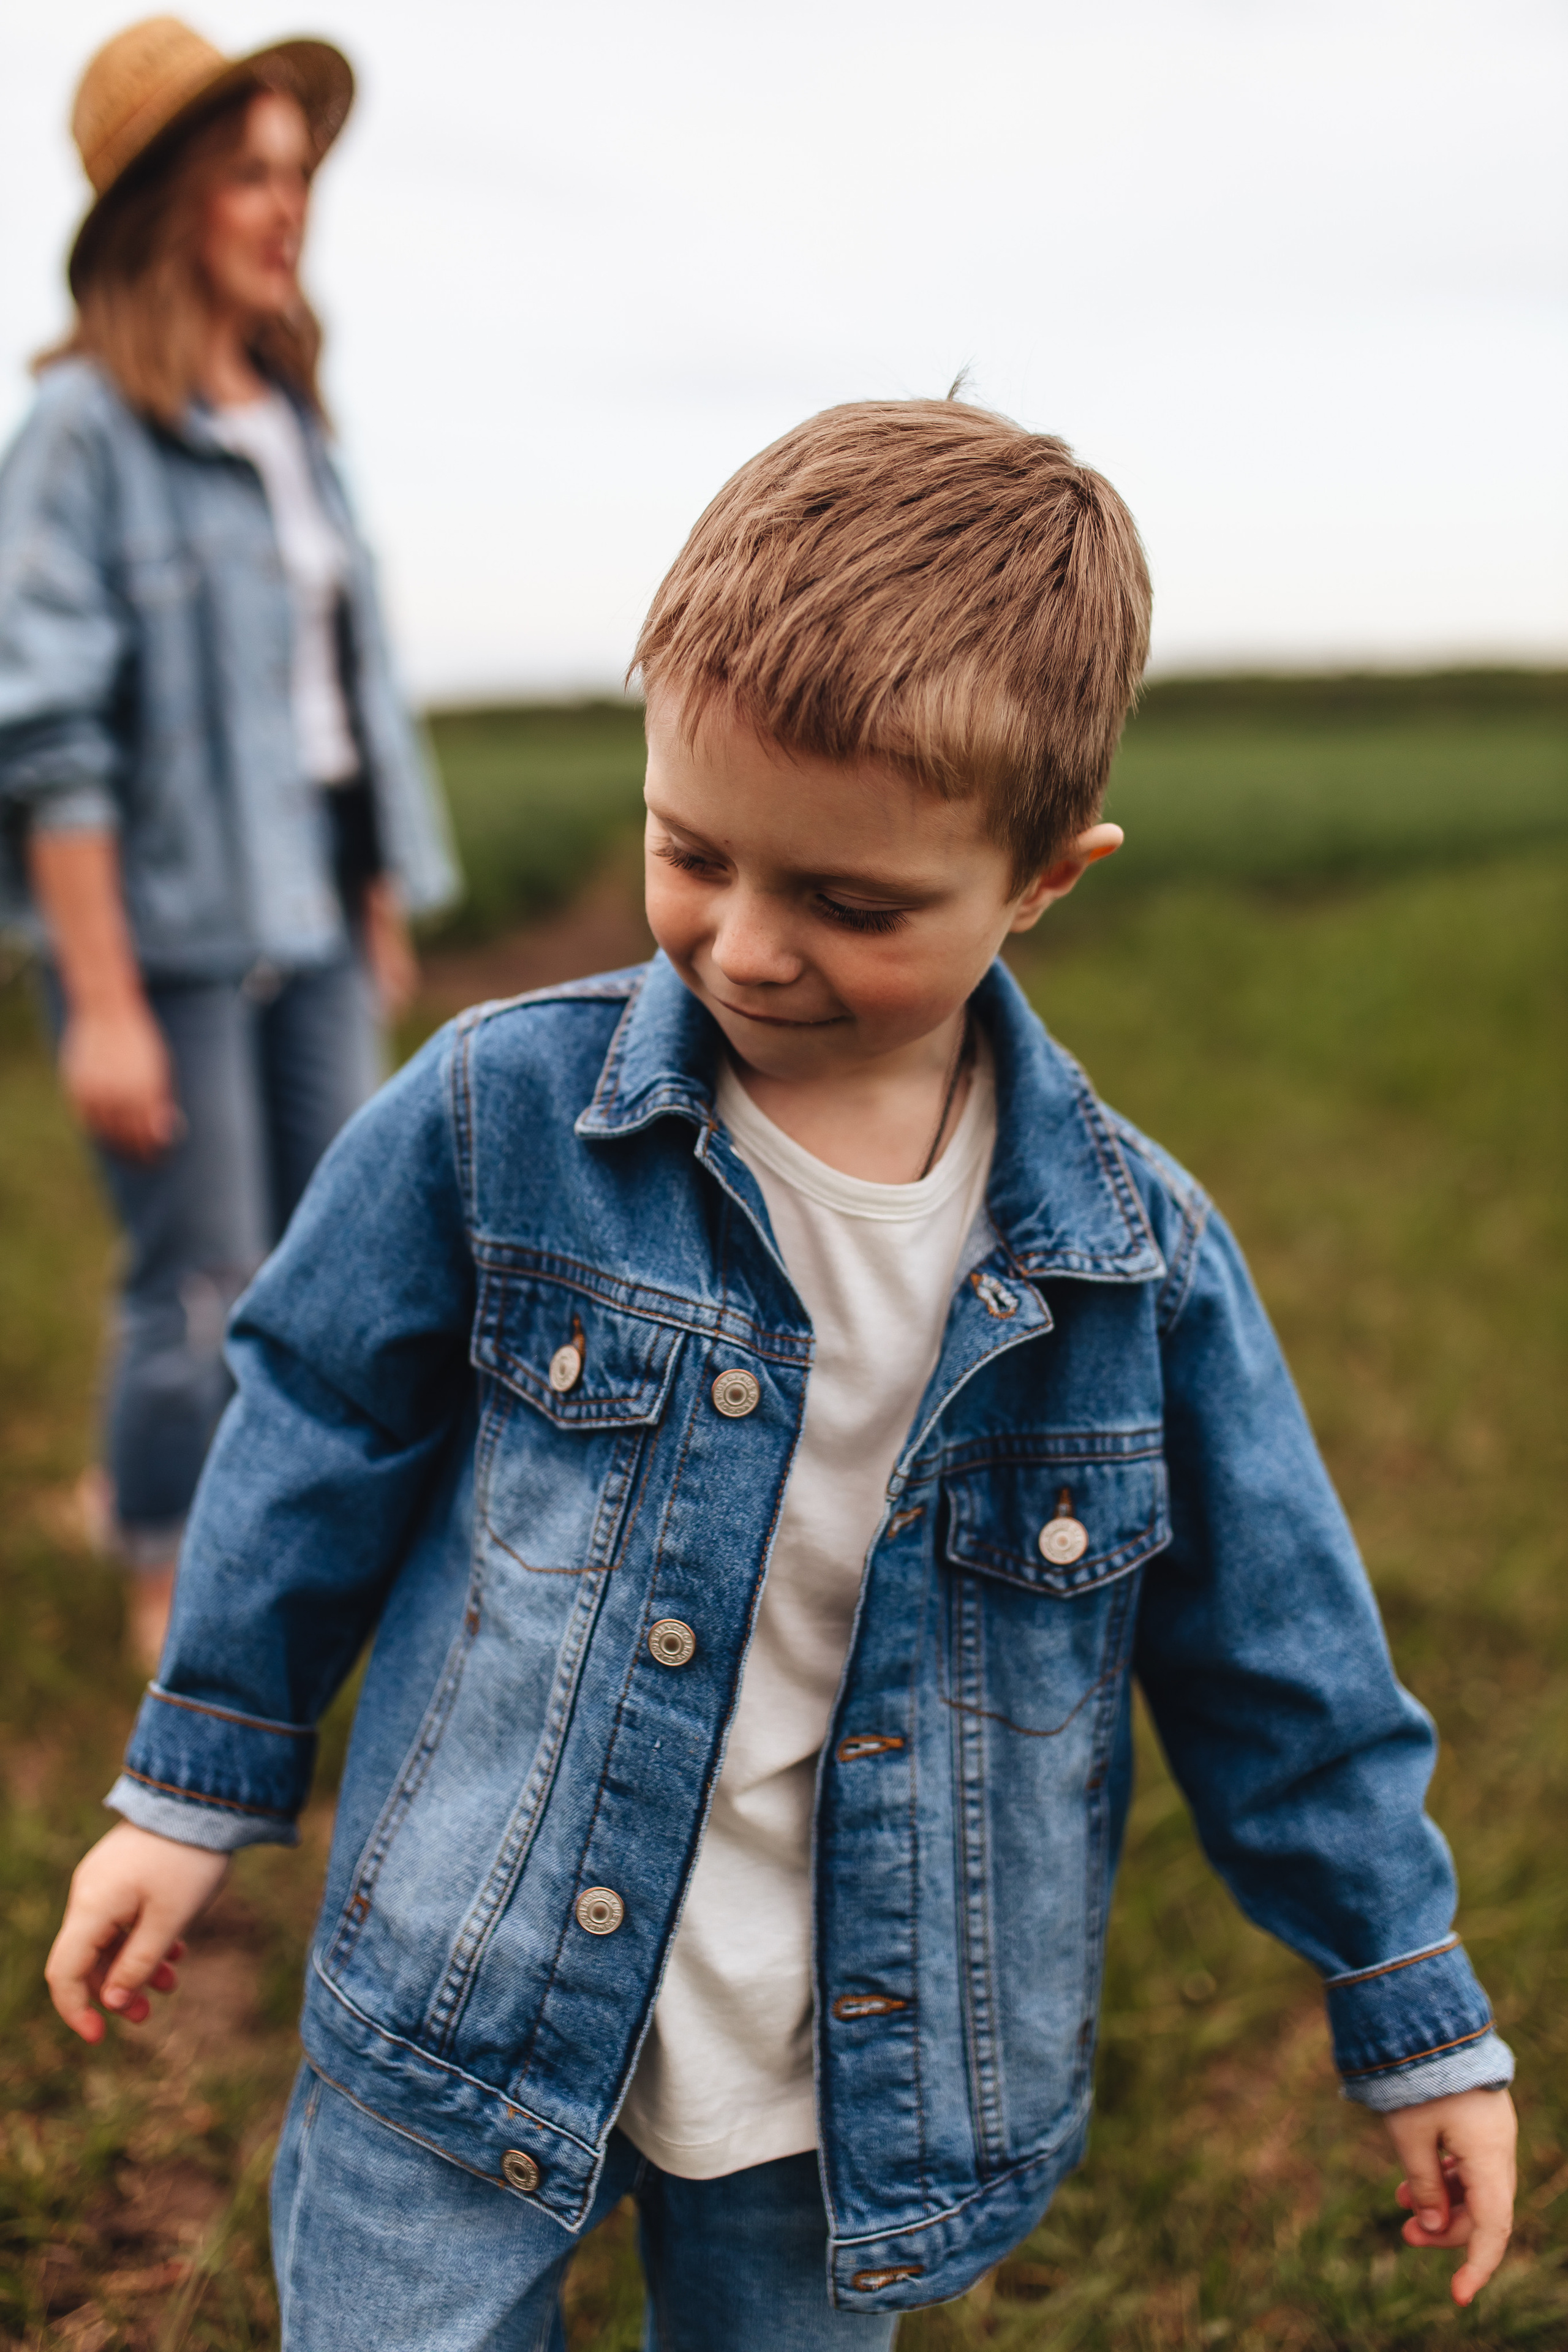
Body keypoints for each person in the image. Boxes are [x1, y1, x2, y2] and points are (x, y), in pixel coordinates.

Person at [45, 401, 1515, 2347]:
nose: (744, 946)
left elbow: (1283, 1660)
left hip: (849, 2095)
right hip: (463, 1991)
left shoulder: (1133, 1271)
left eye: (850, 902)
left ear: (1047, 879)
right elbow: (319, 1422)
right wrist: (192, 1781)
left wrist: (1406, 2001)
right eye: (691, 852)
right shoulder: (502, 1118)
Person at [0, 18, 458, 1671]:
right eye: (250, 175)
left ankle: (292, 1539)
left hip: (318, 921)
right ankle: (164, 1567)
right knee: (198, 1280)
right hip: (174, 939)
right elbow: (48, 741)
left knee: (343, 1259)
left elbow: (342, 690)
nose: (289, 208)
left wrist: (380, 888)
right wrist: (103, 998)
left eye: (298, 173)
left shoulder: (293, 421)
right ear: (166, 205)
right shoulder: (78, 438)